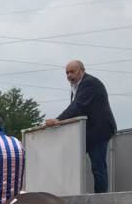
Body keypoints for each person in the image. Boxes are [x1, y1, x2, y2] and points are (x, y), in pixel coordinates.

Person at [44, 59, 117, 193]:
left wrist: (57, 120)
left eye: (72, 72)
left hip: (99, 131)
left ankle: (102, 203)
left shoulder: (90, 83)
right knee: (74, 162)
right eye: (66, 73)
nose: (69, 76)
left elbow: (78, 107)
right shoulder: (76, 86)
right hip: (87, 132)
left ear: (82, 70)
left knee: (98, 166)